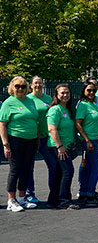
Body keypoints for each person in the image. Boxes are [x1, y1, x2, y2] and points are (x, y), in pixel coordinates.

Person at [0, 76, 39, 212]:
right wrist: (6, 144)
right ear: (12, 87)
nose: (20, 89)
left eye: (23, 86)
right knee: (15, 169)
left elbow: (35, 120)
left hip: (31, 140)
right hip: (15, 139)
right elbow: (3, 125)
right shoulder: (8, 103)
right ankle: (11, 200)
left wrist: (37, 139)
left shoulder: (30, 101)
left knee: (26, 169)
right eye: (17, 86)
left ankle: (22, 198)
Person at [47, 84, 79, 209]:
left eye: (67, 93)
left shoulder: (67, 110)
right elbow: (52, 129)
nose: (65, 95)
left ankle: (53, 200)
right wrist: (60, 146)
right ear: (57, 95)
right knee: (68, 172)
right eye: (62, 93)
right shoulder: (54, 110)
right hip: (58, 147)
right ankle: (65, 200)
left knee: (59, 173)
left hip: (67, 146)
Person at [75, 82, 98, 205]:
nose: (91, 93)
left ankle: (84, 193)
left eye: (93, 90)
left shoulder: (94, 104)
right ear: (84, 91)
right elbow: (78, 123)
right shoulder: (83, 105)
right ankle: (90, 194)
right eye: (89, 90)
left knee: (89, 168)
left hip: (97, 139)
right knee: (96, 167)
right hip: (89, 141)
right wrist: (87, 140)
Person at [26, 75, 53, 204]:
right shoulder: (27, 99)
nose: (38, 85)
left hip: (46, 138)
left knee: (53, 165)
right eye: (35, 83)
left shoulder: (48, 99)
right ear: (31, 85)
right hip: (31, 138)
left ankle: (54, 193)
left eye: (40, 83)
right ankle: (29, 193)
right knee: (29, 167)